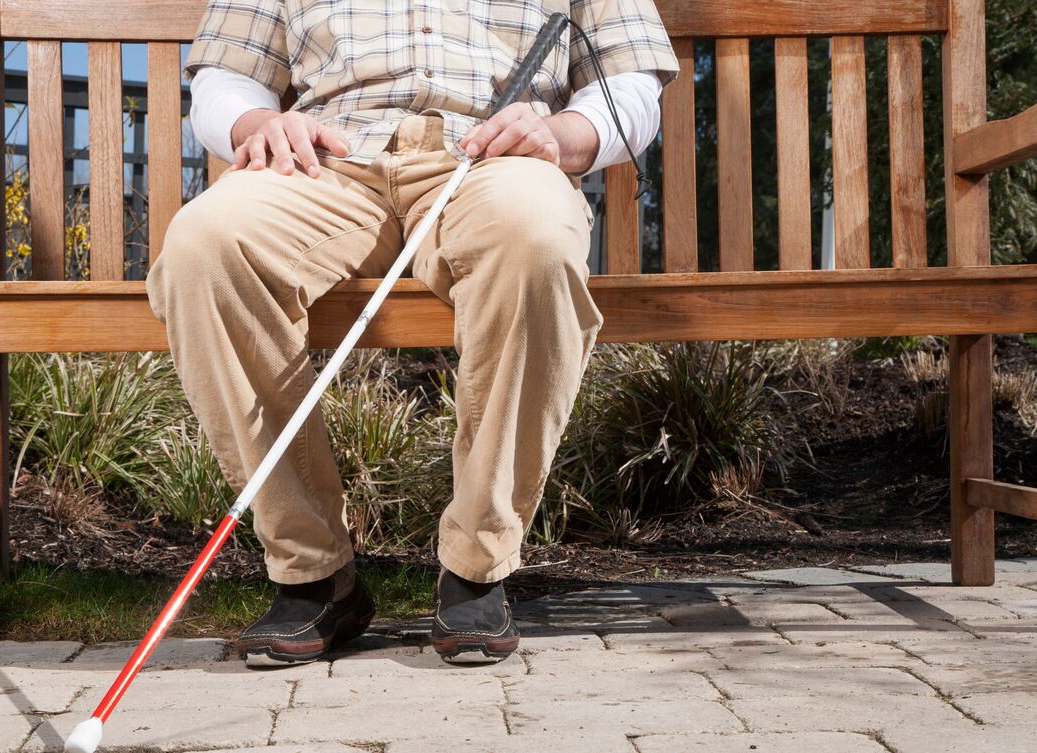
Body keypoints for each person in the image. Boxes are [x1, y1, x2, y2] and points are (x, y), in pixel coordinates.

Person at [146, 0, 678, 667]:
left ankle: (476, 568)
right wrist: (258, 121)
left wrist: (561, 133)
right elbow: (226, 77)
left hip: (495, 160)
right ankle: (314, 574)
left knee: (537, 241)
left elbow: (632, 85)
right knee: (204, 248)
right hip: (324, 161)